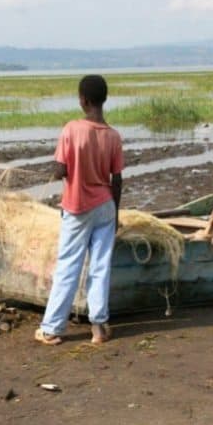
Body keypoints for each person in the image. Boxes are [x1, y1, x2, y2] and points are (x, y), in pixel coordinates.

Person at [35, 75, 123, 346]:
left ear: (83, 100)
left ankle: (52, 329)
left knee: (69, 266)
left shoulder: (72, 129)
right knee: (100, 266)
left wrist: (57, 170)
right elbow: (117, 179)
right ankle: (98, 328)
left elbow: (61, 169)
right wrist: (115, 213)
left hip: (77, 207)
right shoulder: (113, 135)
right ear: (103, 99)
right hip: (105, 206)